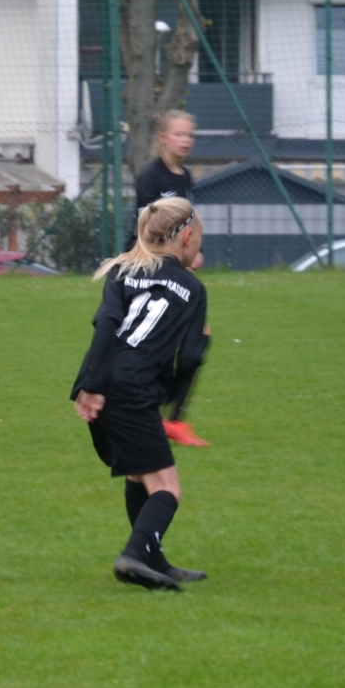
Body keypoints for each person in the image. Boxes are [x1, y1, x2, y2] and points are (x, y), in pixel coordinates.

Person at [72, 197, 211, 591]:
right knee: (168, 488)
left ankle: (153, 559)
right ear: (187, 237)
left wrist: (90, 386)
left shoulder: (123, 270)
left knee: (139, 474)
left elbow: (107, 325)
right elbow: (190, 359)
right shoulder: (193, 288)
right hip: (134, 392)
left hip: (103, 384)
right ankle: (134, 555)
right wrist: (174, 410)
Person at [133, 110, 210, 448]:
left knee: (197, 344)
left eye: (190, 135)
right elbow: (146, 232)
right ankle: (151, 414)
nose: (186, 140)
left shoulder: (185, 178)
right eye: (179, 134)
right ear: (163, 137)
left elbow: (186, 224)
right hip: (150, 270)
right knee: (161, 345)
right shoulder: (150, 177)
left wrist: (194, 251)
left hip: (178, 270)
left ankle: (174, 420)